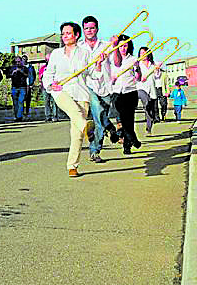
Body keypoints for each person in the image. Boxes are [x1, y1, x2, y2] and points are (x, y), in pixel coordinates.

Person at [43, 22, 92, 177]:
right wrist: (51, 84)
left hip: (81, 94)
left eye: (68, 33)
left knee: (77, 134)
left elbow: (94, 75)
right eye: (63, 34)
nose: (65, 37)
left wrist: (97, 66)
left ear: (77, 35)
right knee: (74, 111)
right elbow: (48, 74)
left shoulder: (85, 53)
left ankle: (72, 166)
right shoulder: (56, 54)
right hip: (61, 91)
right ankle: (87, 127)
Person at [80, 15, 118, 163]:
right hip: (88, 86)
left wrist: (115, 47)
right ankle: (95, 151)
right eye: (87, 28)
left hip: (106, 87)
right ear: (83, 30)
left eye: (92, 28)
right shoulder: (79, 48)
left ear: (97, 29)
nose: (89, 31)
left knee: (100, 120)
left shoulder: (106, 45)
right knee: (98, 114)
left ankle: (108, 126)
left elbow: (117, 62)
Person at [105, 34, 141, 155]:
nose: (123, 48)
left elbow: (138, 77)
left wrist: (137, 69)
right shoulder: (112, 58)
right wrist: (112, 79)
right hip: (117, 92)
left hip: (130, 92)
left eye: (125, 46)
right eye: (121, 46)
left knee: (129, 120)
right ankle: (132, 138)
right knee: (121, 118)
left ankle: (128, 145)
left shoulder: (133, 59)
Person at [136, 46, 158, 136]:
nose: (143, 55)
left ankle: (149, 128)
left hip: (151, 89)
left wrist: (157, 69)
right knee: (147, 104)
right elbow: (135, 76)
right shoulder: (137, 64)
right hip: (141, 88)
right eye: (141, 53)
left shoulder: (153, 64)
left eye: (145, 53)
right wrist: (140, 76)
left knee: (151, 111)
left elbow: (157, 77)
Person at [8, 56, 29, 122]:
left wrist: (21, 71)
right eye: (16, 62)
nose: (17, 63)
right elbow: (8, 76)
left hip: (22, 87)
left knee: (21, 101)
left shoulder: (25, 68)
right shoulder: (12, 68)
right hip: (14, 87)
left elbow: (27, 75)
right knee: (15, 103)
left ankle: (19, 116)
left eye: (19, 61)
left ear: (21, 62)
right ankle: (17, 115)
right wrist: (13, 73)